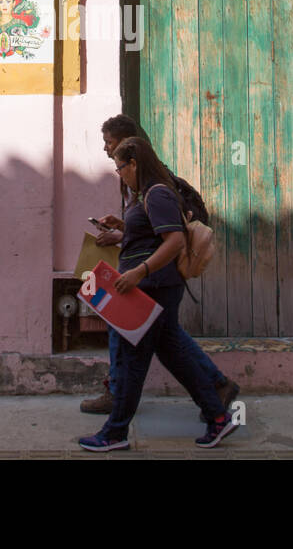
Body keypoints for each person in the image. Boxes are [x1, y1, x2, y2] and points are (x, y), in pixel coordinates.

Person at [77, 136, 239, 451]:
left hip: (150, 288)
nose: (119, 173)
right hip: (152, 287)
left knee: (129, 360)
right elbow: (152, 235)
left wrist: (139, 272)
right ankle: (217, 417)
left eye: (120, 167)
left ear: (134, 164)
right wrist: (125, 228)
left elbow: (174, 241)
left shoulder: (158, 194)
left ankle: (114, 433)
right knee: (173, 356)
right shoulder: (148, 195)